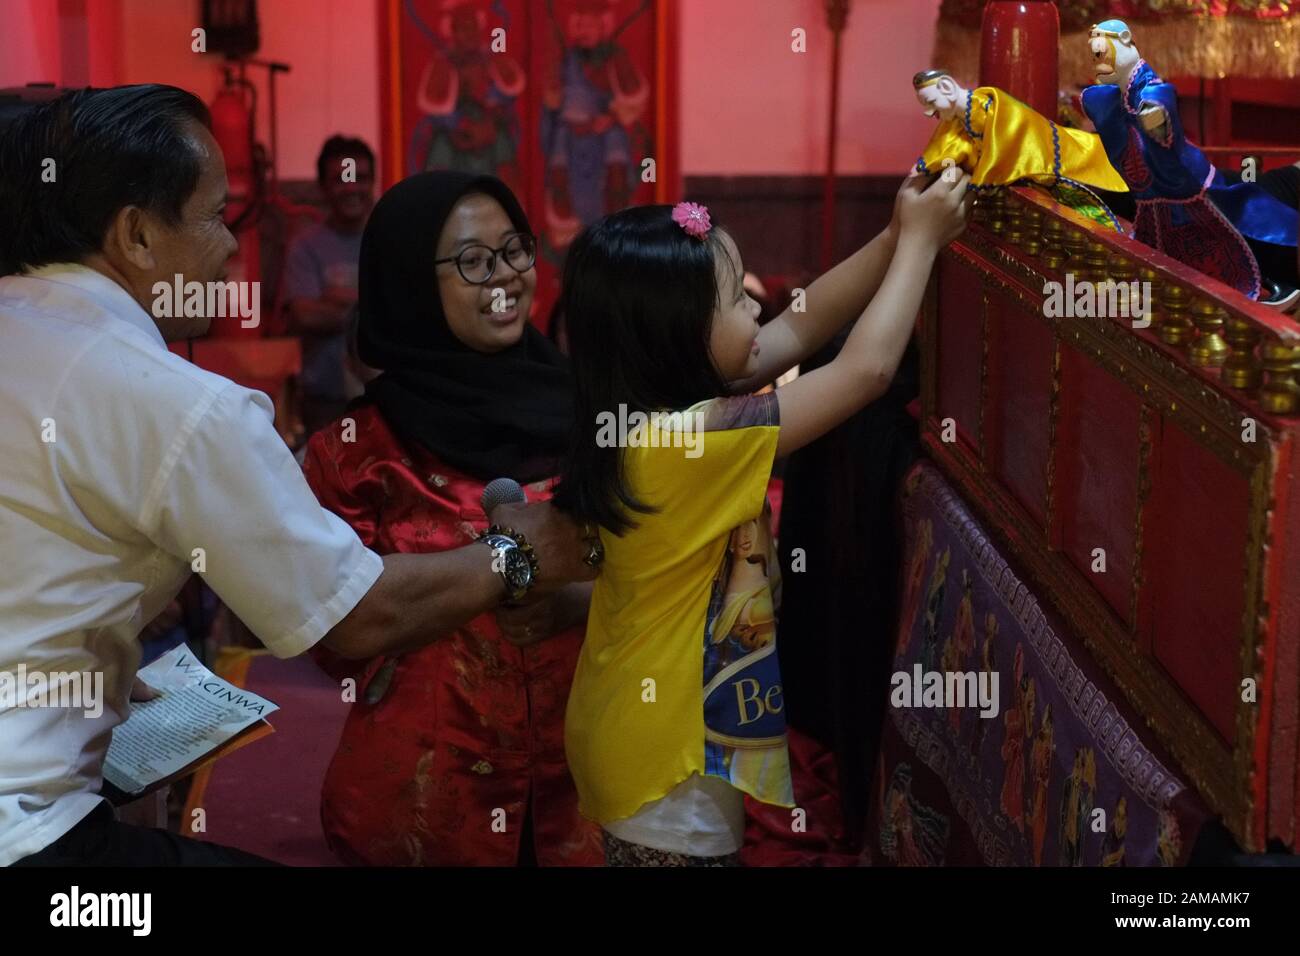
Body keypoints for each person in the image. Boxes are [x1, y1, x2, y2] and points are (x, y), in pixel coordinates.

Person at [0, 84, 597, 867]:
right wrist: (517, 559)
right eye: (216, 217)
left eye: (516, 250)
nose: (233, 250)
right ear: (139, 236)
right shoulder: (197, 409)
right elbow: (353, 620)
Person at [554, 177, 969, 865]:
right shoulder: (687, 441)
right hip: (670, 759)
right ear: (680, 333)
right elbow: (865, 372)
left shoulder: (656, 415)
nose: (756, 303)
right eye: (734, 297)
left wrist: (896, 234)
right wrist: (922, 245)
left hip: (638, 724)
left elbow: (803, 323)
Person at [301, 171, 603, 866]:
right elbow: (325, 634)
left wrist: (581, 601)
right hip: (427, 804)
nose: (504, 277)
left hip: (592, 792)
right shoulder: (357, 453)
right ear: (409, 281)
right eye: (472, 261)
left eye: (514, 251)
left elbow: (675, 564)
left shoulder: (597, 415)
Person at [282, 135, 376, 436]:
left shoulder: (389, 239)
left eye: (359, 178)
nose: (352, 188)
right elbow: (305, 317)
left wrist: (335, 298)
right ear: (322, 187)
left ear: (372, 182)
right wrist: (374, 302)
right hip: (323, 405)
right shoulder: (305, 247)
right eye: (341, 179)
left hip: (382, 401)